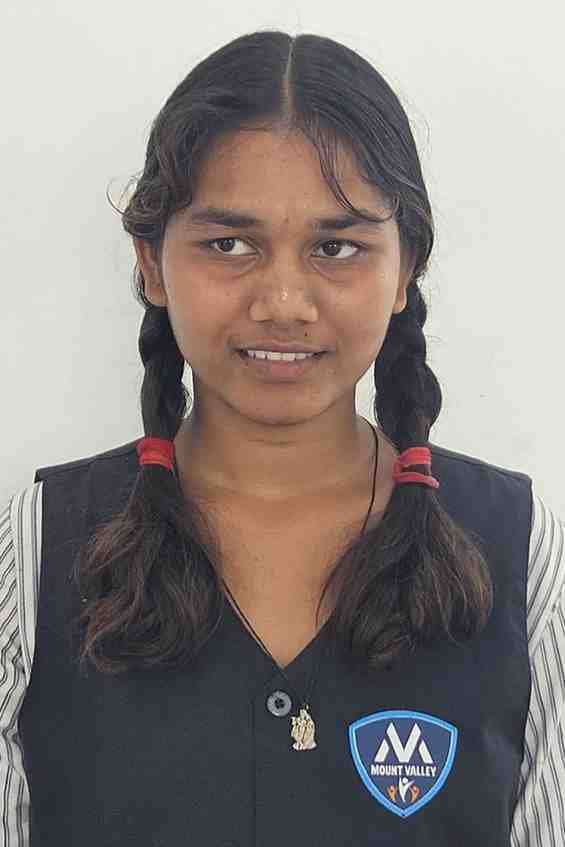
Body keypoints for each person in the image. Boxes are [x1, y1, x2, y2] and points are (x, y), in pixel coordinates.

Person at [1, 29, 563, 847]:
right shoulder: (33, 548)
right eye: (229, 244)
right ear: (151, 263)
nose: (283, 303)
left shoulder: (522, 551)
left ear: (405, 267)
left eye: (335, 247)